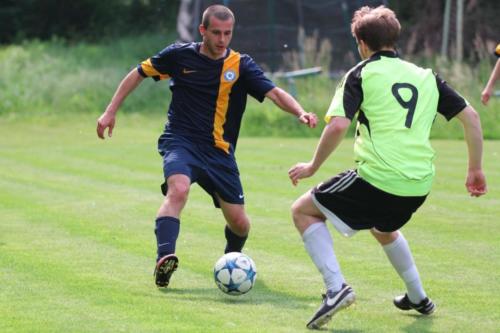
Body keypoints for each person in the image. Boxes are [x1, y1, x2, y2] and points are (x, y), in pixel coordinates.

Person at [288, 5, 487, 330]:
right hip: (419, 185)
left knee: (303, 211)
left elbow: (337, 125)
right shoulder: (426, 77)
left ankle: (336, 289)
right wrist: (475, 169)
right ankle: (418, 296)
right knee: (383, 227)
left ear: (361, 43)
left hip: (379, 180)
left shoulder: (360, 73)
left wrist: (312, 166)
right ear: (395, 39)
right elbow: (472, 118)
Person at [96, 5, 317, 289]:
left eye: (227, 33)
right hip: (181, 141)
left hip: (219, 152)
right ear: (203, 31)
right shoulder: (179, 55)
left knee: (240, 224)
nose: (222, 39)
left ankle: (231, 262)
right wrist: (110, 111)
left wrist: (299, 112)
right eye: (216, 33)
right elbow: (138, 72)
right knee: (179, 190)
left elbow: (274, 92)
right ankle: (164, 259)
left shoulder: (240, 65)